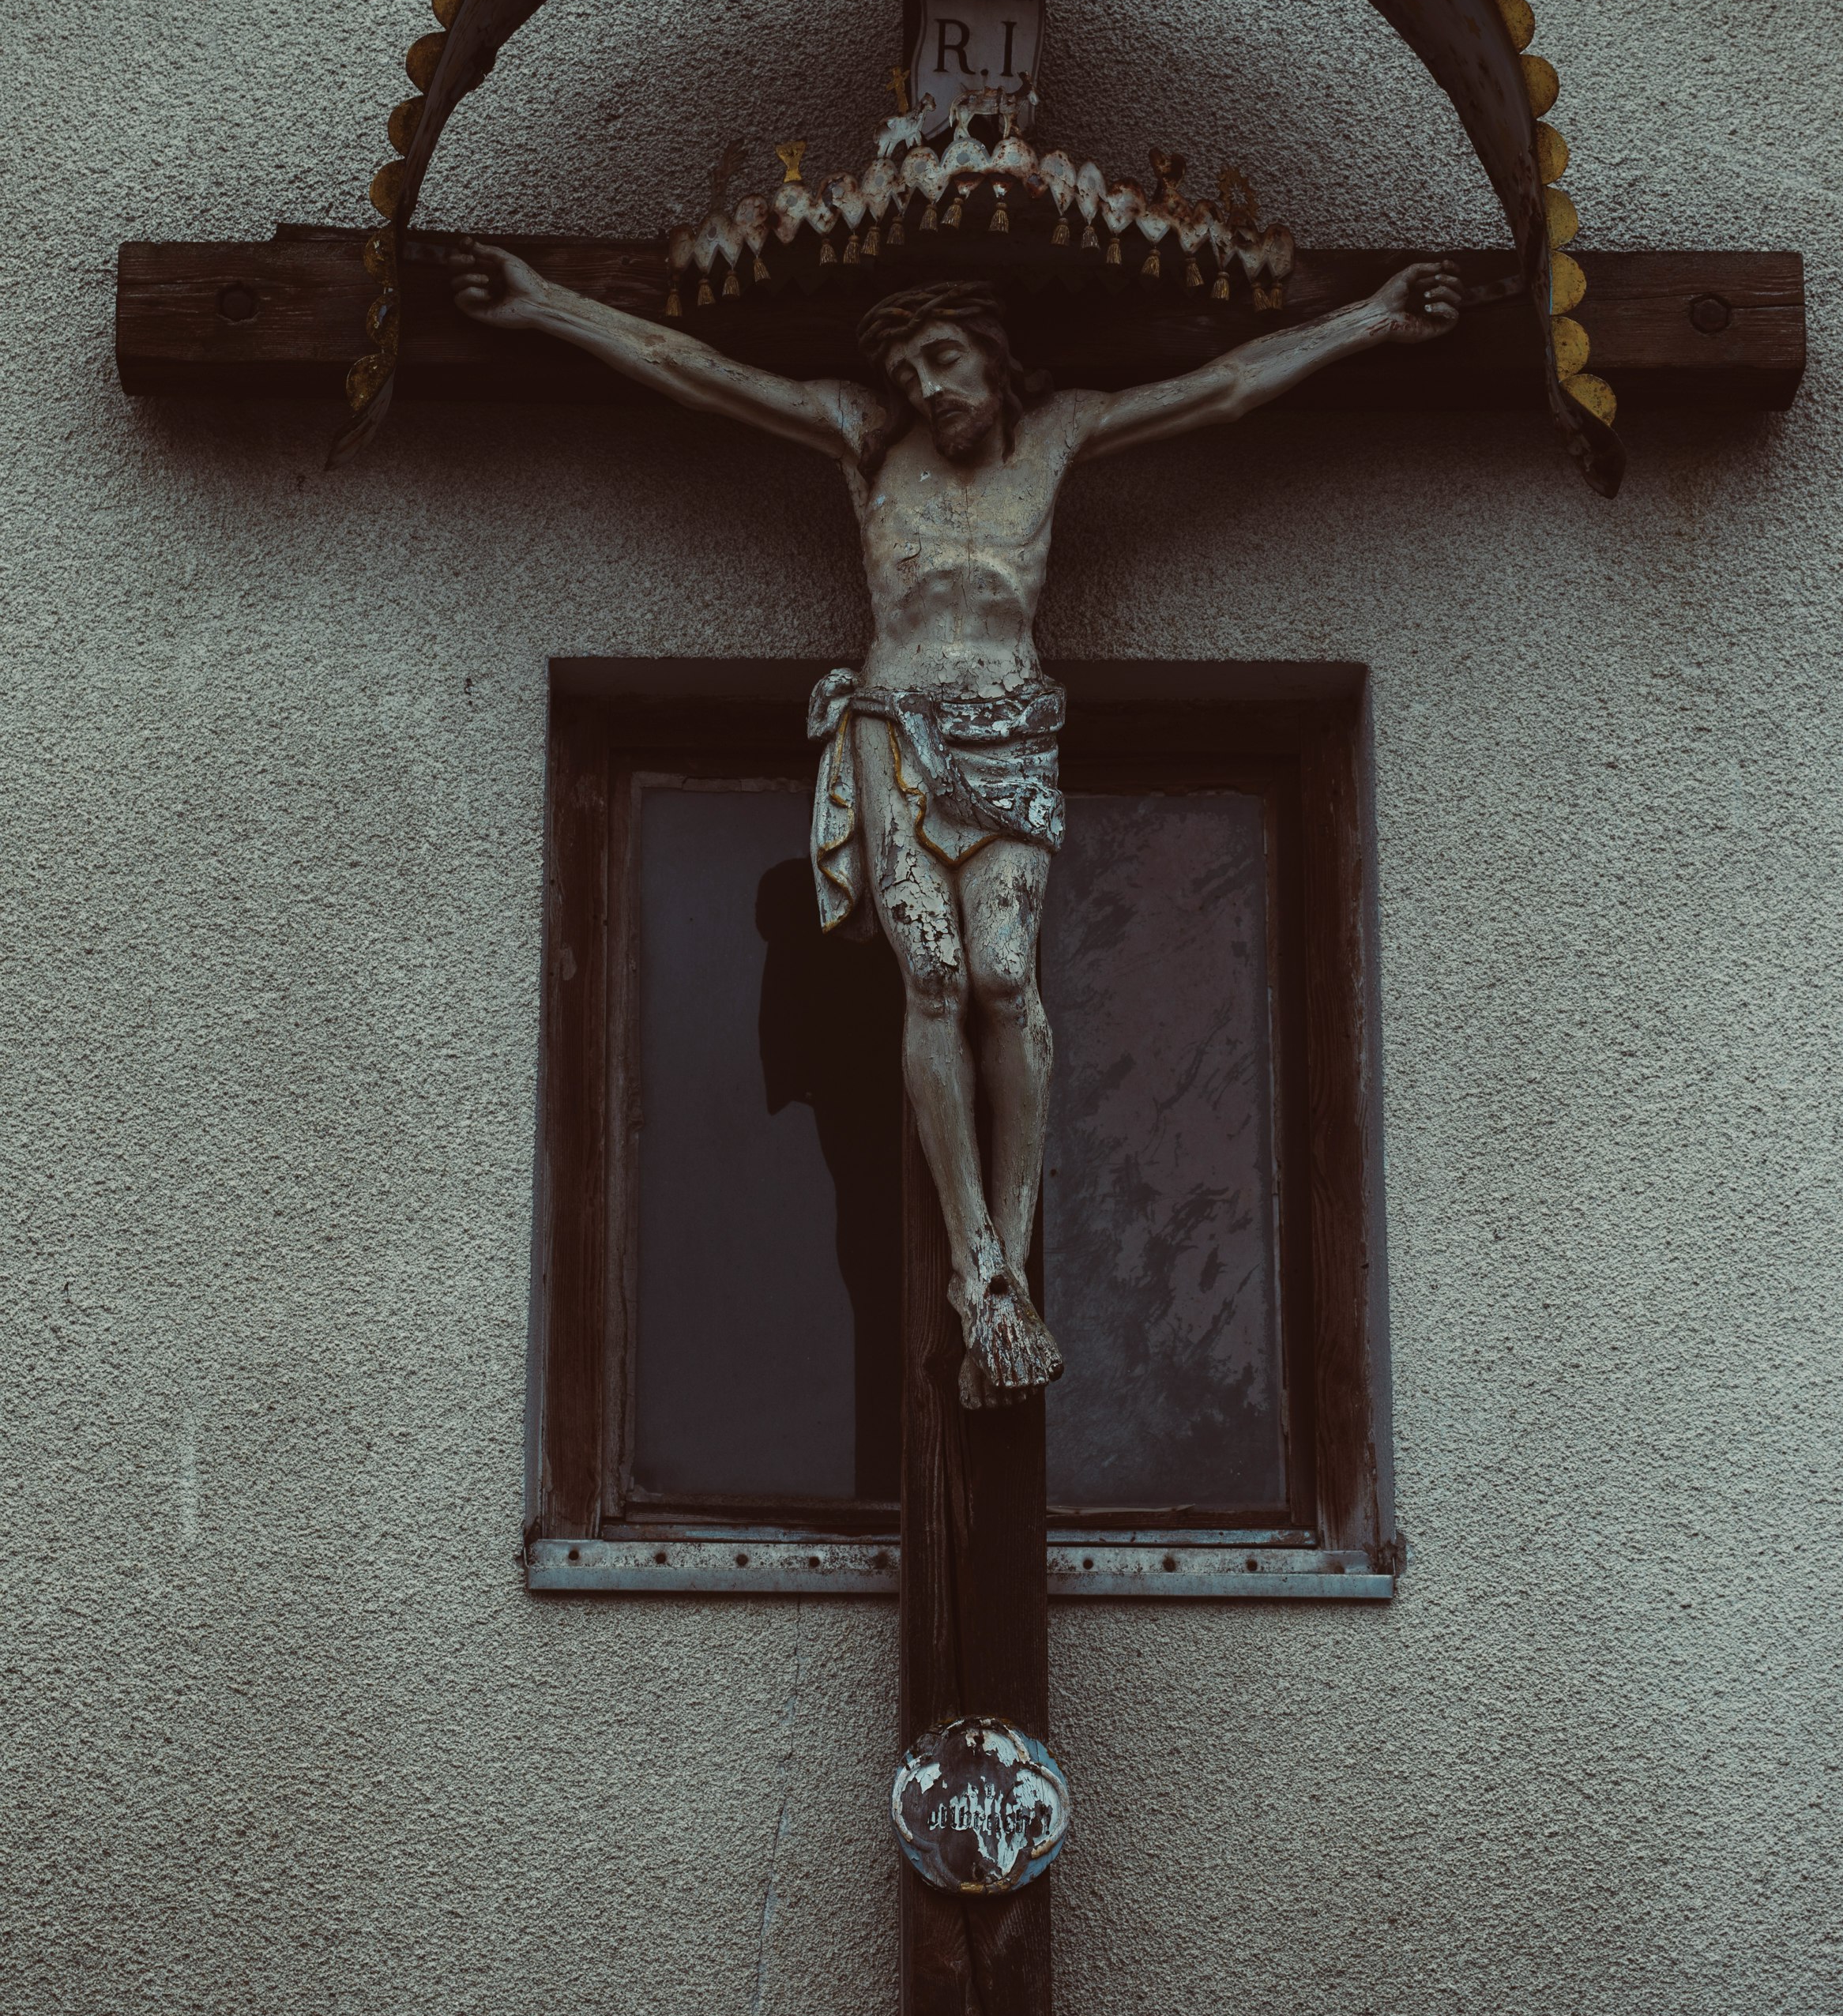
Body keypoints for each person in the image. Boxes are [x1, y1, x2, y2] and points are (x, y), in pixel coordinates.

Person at [452, 239, 1461, 1408]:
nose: (930, 387)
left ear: (993, 356)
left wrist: (1373, 322)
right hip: (895, 731)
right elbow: (698, 373)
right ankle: (971, 1261)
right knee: (928, 974)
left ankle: (1012, 1253)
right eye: (911, 369)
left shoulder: (1057, 436)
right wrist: (541, 304)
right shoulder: (864, 439)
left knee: (999, 974)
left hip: (1013, 732)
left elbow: (1221, 387)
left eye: (946, 358)